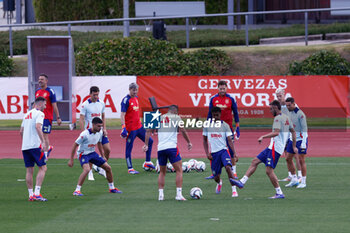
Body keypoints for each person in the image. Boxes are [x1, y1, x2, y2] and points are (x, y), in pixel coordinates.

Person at [231, 100, 298, 199]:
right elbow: (293, 132)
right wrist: (293, 146)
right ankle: (242, 182)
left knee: (269, 171)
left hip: (275, 148)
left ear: (276, 108)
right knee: (255, 161)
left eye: (271, 109)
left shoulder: (277, 119)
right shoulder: (286, 118)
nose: (270, 111)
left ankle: (279, 193)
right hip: (272, 147)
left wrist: (263, 136)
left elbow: (276, 132)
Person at [143, 105, 192, 201]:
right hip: (172, 147)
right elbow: (182, 129)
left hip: (160, 148)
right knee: (179, 170)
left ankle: (161, 195)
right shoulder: (176, 117)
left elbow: (148, 130)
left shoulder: (158, 117)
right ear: (176, 112)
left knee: (162, 172)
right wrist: (189, 142)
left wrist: (146, 144)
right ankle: (178, 194)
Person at [68, 117, 122, 196]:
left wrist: (103, 155)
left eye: (101, 126)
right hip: (83, 154)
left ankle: (112, 188)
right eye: (98, 126)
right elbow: (74, 145)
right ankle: (77, 190)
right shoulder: (84, 134)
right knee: (86, 170)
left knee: (108, 168)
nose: (100, 128)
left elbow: (99, 143)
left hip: (92, 153)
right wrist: (71, 160)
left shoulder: (100, 133)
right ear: (93, 125)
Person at [206, 80, 240, 191]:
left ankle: (233, 172)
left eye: (223, 88)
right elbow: (209, 113)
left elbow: (235, 112)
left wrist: (237, 126)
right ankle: (215, 173)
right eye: (220, 88)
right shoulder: (213, 99)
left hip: (228, 127)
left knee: (230, 150)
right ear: (218, 88)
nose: (222, 90)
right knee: (214, 149)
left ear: (226, 88)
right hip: (215, 127)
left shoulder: (230, 99)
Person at [20, 97, 53, 201]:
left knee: (29, 170)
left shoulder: (26, 114)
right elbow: (38, 127)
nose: (45, 106)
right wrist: (43, 141)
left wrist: (25, 141)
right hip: (35, 146)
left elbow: (21, 131)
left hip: (25, 146)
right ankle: (37, 193)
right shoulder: (40, 114)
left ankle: (31, 195)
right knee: (43, 168)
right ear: (40, 104)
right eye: (45, 104)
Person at [203, 107, 239, 198]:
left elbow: (229, 140)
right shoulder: (207, 125)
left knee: (228, 168)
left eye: (217, 115)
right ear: (212, 115)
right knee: (216, 177)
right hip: (214, 154)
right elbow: (204, 140)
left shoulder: (225, 125)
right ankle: (219, 183)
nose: (216, 117)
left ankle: (234, 190)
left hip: (223, 151)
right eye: (214, 115)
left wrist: (234, 153)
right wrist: (207, 153)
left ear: (220, 115)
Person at [120, 83, 154, 174]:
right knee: (129, 148)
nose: (135, 92)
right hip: (131, 129)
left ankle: (147, 162)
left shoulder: (136, 98)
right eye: (133, 90)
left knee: (150, 141)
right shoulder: (126, 100)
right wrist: (123, 127)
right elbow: (122, 115)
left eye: (136, 90)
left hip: (139, 127)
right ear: (129, 89)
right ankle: (130, 168)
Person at [80, 86, 110, 180]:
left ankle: (101, 169)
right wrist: (82, 132)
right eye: (94, 94)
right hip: (90, 132)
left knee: (107, 150)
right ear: (90, 94)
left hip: (100, 131)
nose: (96, 96)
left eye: (97, 94)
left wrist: (104, 128)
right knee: (90, 152)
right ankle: (89, 172)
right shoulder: (85, 105)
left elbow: (103, 116)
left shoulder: (101, 103)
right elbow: (81, 118)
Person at [275, 88, 302, 182]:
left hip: (293, 131)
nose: (278, 97)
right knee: (286, 155)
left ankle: (300, 175)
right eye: (277, 96)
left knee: (295, 154)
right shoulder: (278, 106)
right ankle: (291, 175)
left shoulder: (290, 104)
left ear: (284, 94)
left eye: (280, 95)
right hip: (285, 133)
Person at [284, 97, 308, 188]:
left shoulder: (300, 114)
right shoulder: (288, 113)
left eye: (289, 105)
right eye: (286, 105)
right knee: (288, 158)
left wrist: (303, 144)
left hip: (300, 139)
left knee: (301, 160)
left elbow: (305, 129)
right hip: (292, 139)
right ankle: (294, 179)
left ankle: (303, 181)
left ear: (294, 104)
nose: (288, 107)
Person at [35, 73, 62, 148]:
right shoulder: (37, 91)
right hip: (37, 117)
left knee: (45, 135)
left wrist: (58, 117)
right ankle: (43, 151)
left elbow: (54, 105)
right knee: (38, 135)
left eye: (42, 79)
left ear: (46, 81)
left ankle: (46, 153)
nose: (40, 81)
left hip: (47, 117)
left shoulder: (50, 91)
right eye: (39, 79)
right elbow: (36, 104)